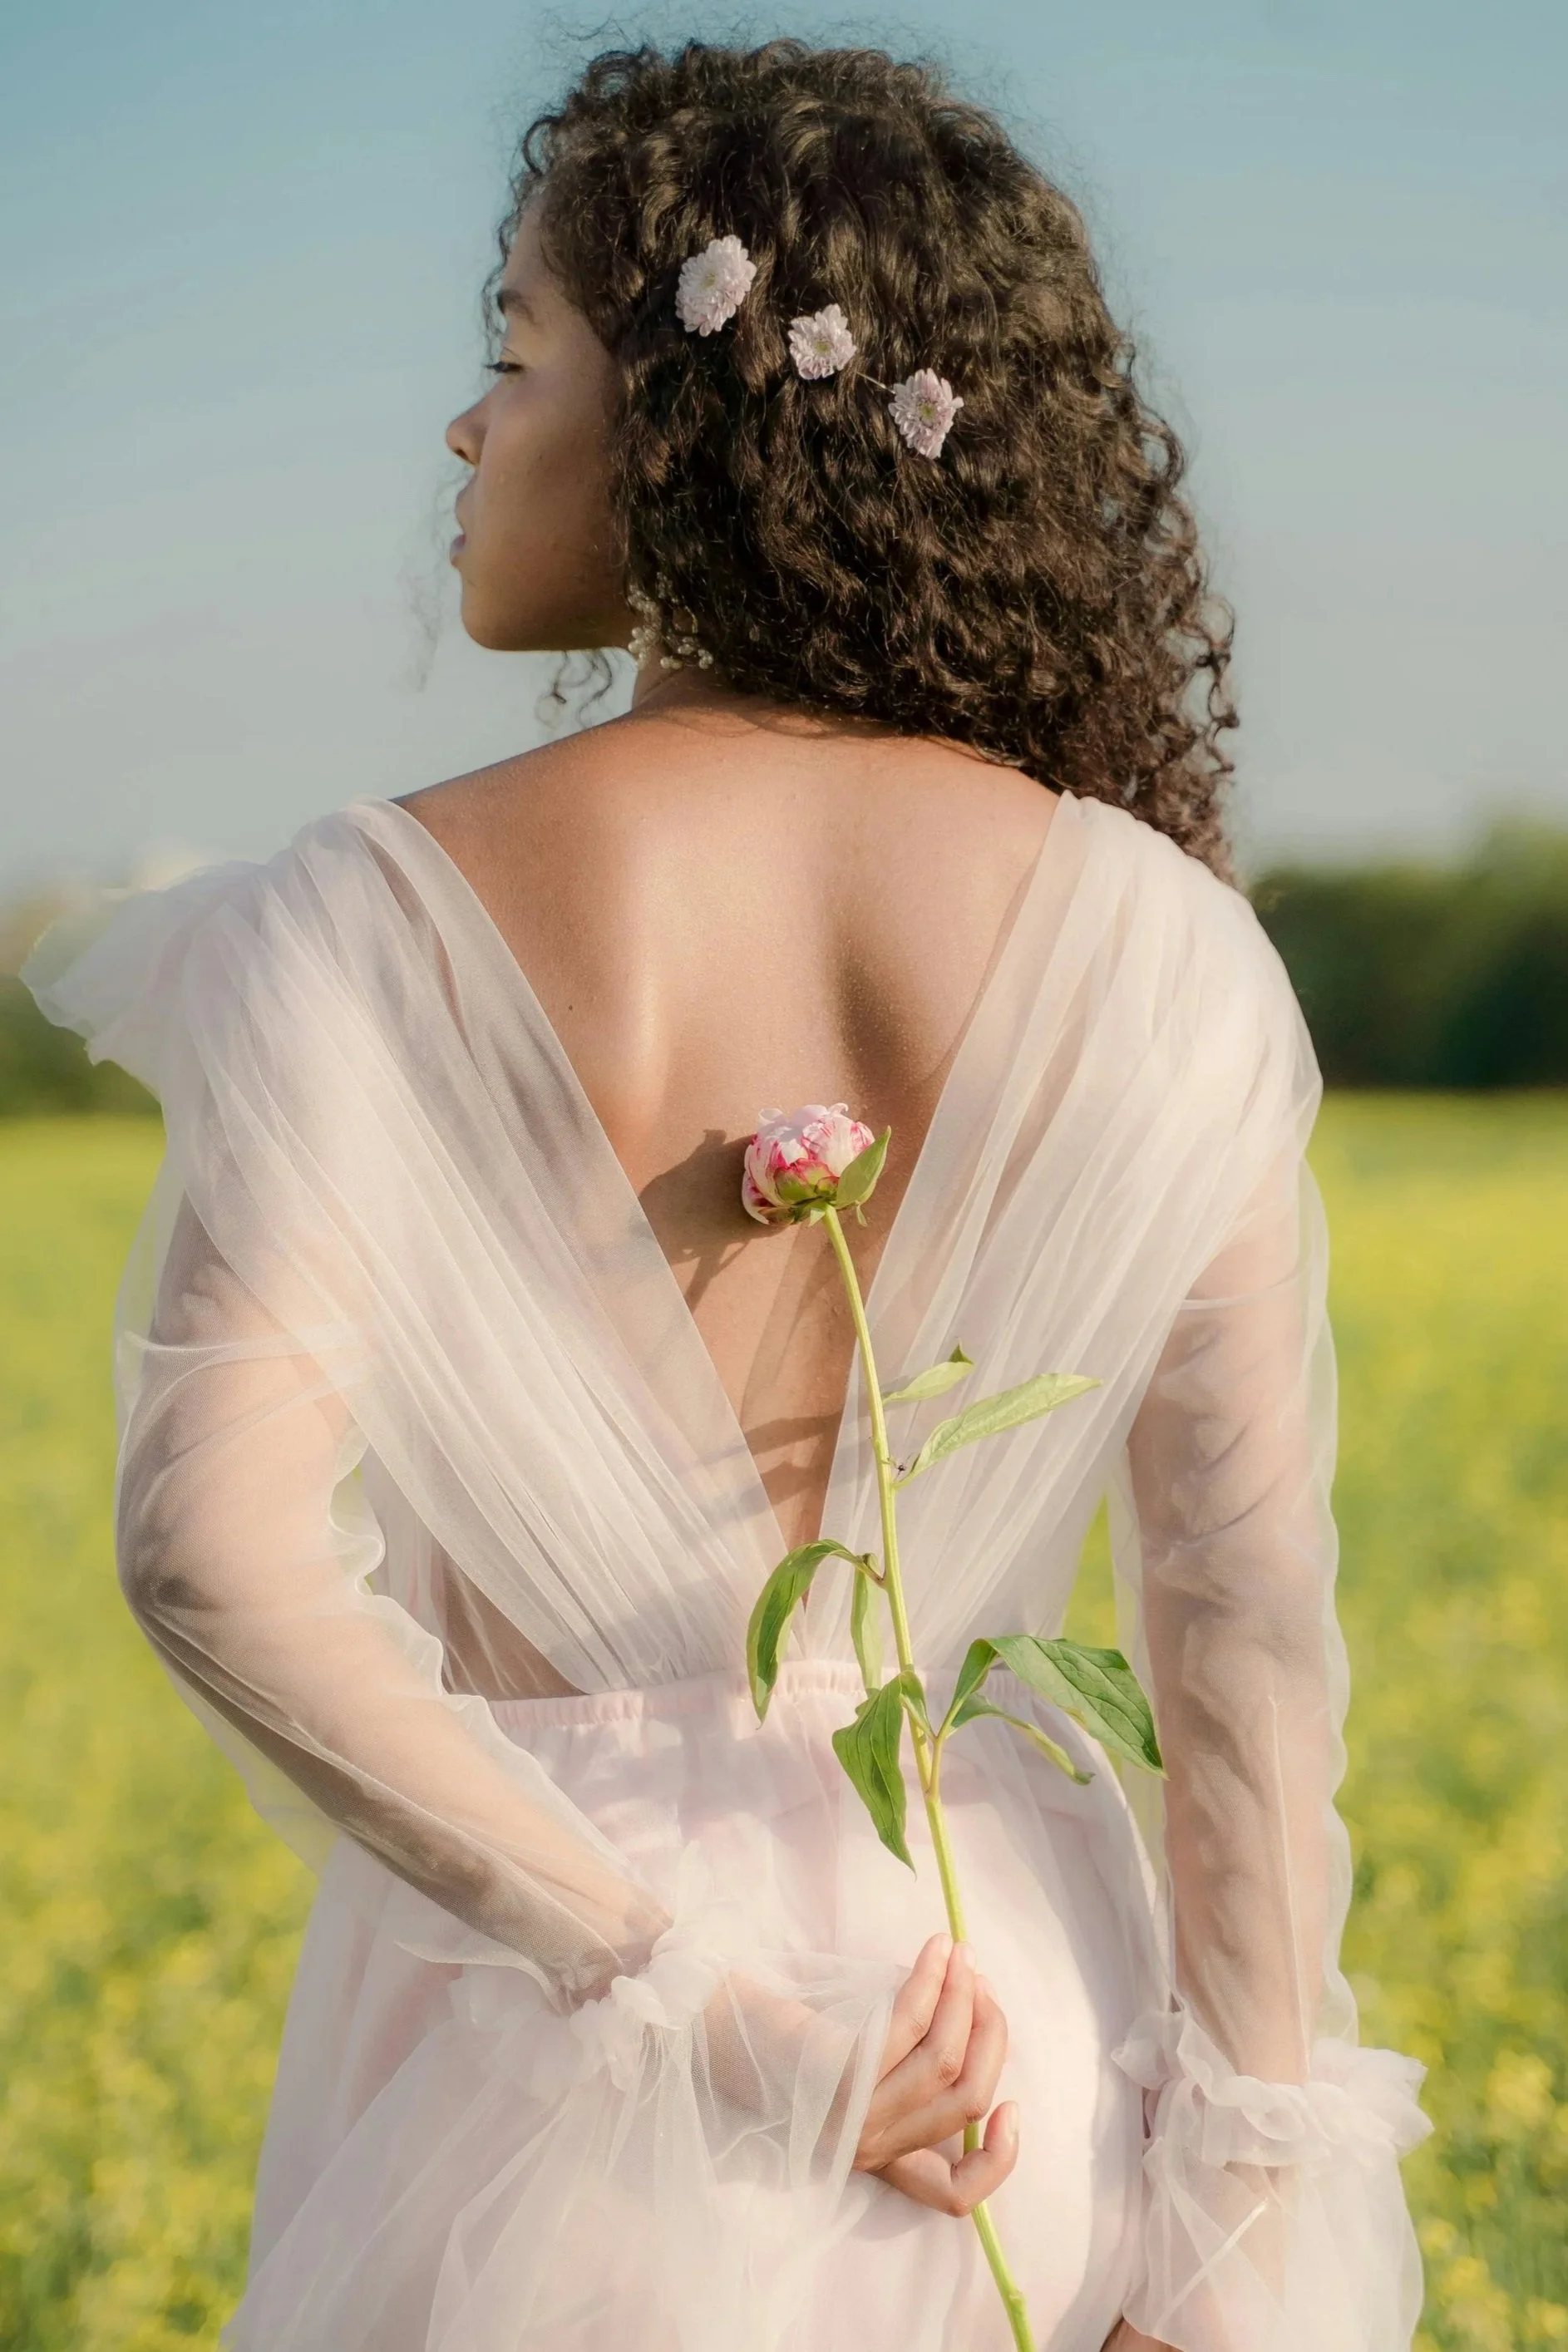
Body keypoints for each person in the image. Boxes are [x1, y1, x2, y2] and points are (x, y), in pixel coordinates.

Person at [23, 38, 1432, 2352]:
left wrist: (691, 1996)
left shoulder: (360, 917)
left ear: (689, 426)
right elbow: (1241, 1637)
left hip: (552, 2090)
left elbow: (210, 1548)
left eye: (509, 353)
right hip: (1029, 2078)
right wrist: (1239, 2223)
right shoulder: (1165, 945)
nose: (466, 430)